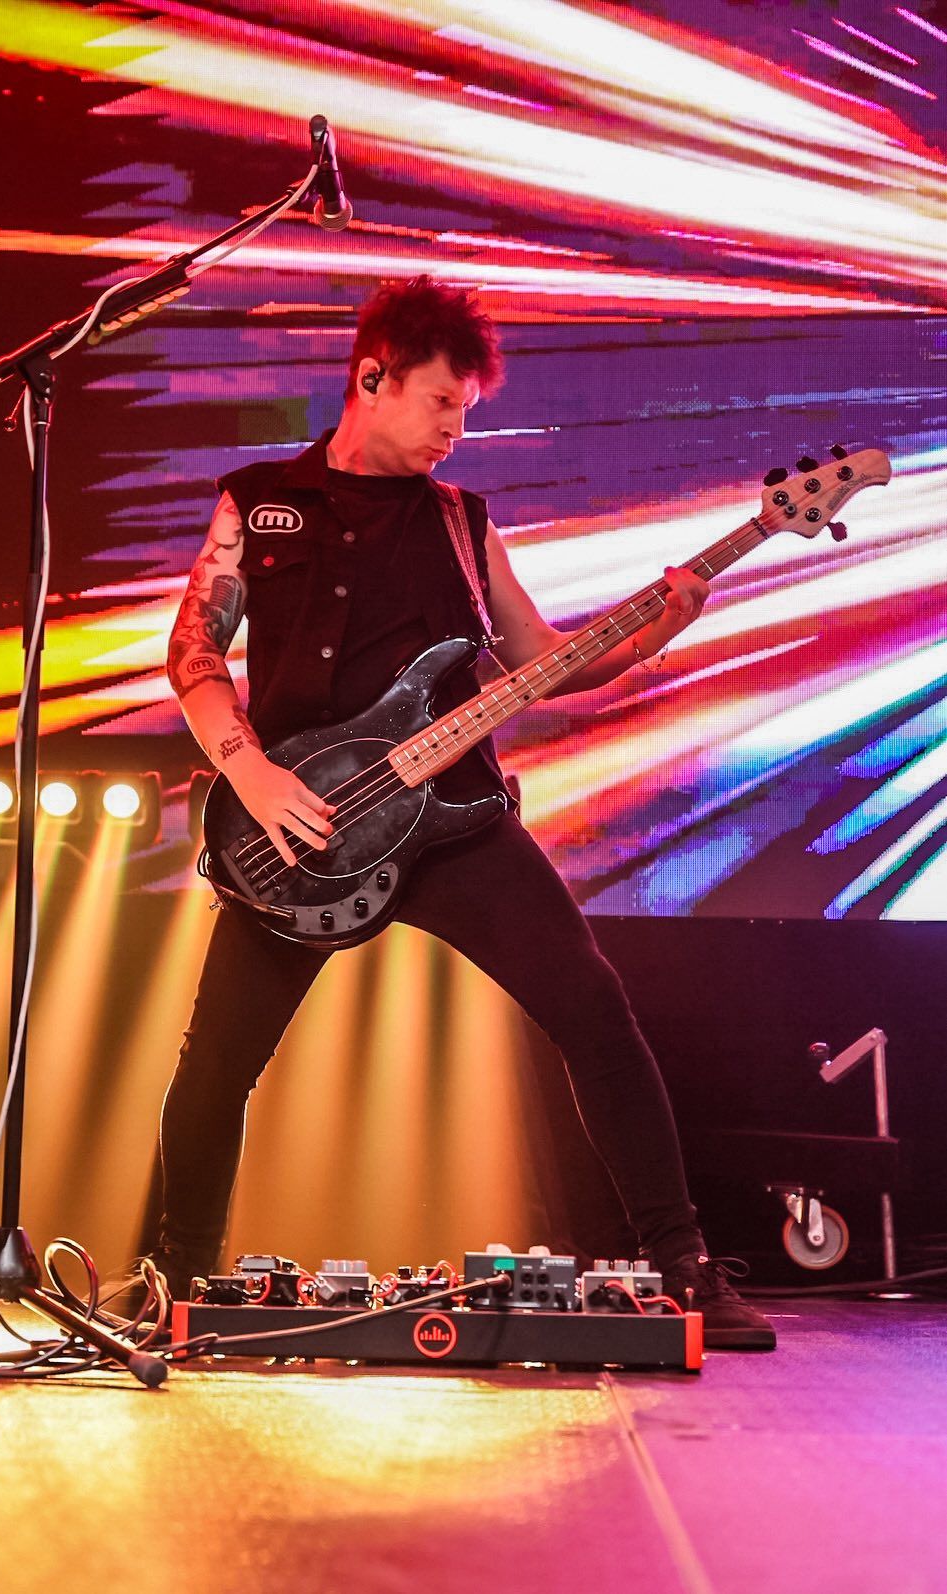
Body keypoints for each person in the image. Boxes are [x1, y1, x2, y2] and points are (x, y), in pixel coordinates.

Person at [158, 275, 774, 1350]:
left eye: (466, 409)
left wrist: (659, 628)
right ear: (372, 379)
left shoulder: (462, 521)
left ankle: (682, 1268)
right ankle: (169, 1280)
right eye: (441, 402)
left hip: (454, 821)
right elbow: (193, 651)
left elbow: (546, 663)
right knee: (215, 1063)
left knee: (595, 1011)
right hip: (300, 828)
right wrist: (247, 772)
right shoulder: (255, 502)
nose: (456, 427)